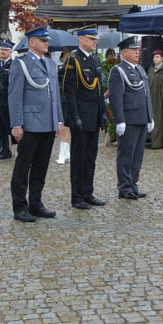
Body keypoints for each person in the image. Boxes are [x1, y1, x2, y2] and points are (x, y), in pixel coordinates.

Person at [8, 25, 64, 222]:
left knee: (41, 167)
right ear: (32, 42)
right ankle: (20, 206)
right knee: (23, 167)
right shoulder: (21, 63)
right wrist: (16, 124)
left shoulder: (50, 63)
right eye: (43, 40)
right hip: (30, 123)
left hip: (48, 123)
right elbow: (14, 96)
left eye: (47, 40)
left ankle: (36, 203)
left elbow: (55, 95)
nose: (47, 43)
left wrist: (58, 120)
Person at [62, 25, 108, 209]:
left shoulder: (95, 59)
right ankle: (77, 196)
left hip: (94, 116)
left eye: (95, 39)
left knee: (90, 158)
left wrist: (103, 113)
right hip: (80, 117)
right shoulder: (73, 61)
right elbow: (69, 91)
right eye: (91, 38)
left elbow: (99, 90)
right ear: (81, 39)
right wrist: (74, 116)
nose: (94, 41)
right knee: (79, 158)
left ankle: (88, 192)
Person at [108, 36, 154, 200]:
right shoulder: (118, 71)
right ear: (124, 52)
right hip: (128, 120)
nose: (137, 52)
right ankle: (124, 187)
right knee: (126, 156)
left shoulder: (140, 69)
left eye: (138, 49)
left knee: (137, 156)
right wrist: (119, 120)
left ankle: (133, 185)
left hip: (141, 118)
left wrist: (150, 117)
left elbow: (147, 95)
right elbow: (116, 98)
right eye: (133, 50)